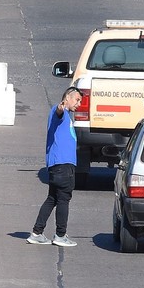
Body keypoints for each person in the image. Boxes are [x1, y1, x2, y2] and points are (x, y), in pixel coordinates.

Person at [29, 86, 83, 248]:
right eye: (77, 100)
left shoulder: (67, 116)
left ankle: (37, 233)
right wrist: (61, 107)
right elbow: (58, 112)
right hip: (62, 165)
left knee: (52, 198)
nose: (79, 104)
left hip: (58, 165)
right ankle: (60, 234)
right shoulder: (58, 112)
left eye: (80, 101)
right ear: (67, 98)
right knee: (64, 199)